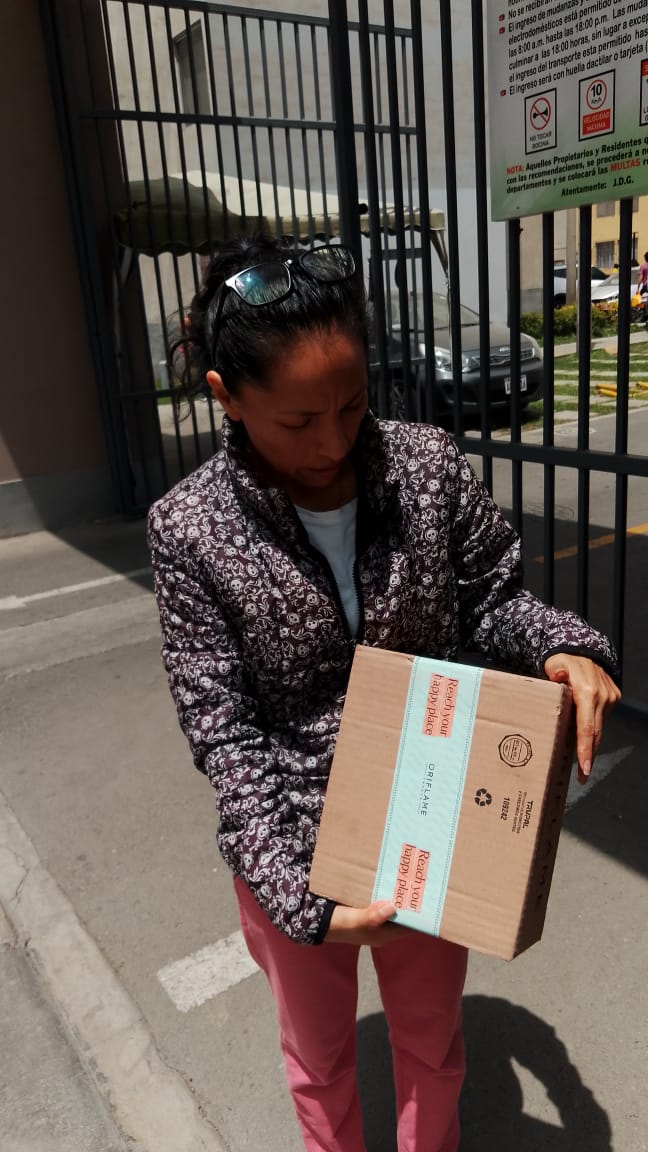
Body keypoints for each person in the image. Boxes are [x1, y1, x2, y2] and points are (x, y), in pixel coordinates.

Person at [147, 233, 621, 1152]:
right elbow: (223, 728)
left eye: (353, 403)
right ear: (227, 397)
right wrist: (300, 897)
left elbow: (493, 598)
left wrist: (561, 647)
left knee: (433, 1046)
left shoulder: (425, 466)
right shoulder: (189, 529)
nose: (333, 442)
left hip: (430, 821)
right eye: (298, 420)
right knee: (319, 1061)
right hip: (292, 838)